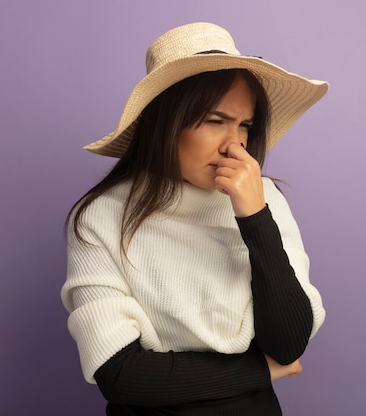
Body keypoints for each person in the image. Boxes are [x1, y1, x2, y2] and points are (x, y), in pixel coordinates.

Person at [61, 22, 328, 415]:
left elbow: (288, 344)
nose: (234, 144)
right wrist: (260, 368)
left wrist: (254, 216)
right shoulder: (101, 216)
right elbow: (120, 375)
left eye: (245, 126)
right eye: (215, 121)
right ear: (165, 122)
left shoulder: (261, 197)